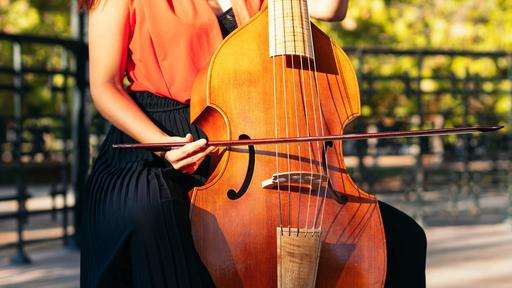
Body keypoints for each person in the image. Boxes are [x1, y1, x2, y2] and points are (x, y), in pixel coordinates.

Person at [79, 0, 427, 287]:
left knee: (402, 238)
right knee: (154, 212)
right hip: (153, 140)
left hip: (245, 144)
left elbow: (332, 8)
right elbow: (105, 85)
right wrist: (162, 144)